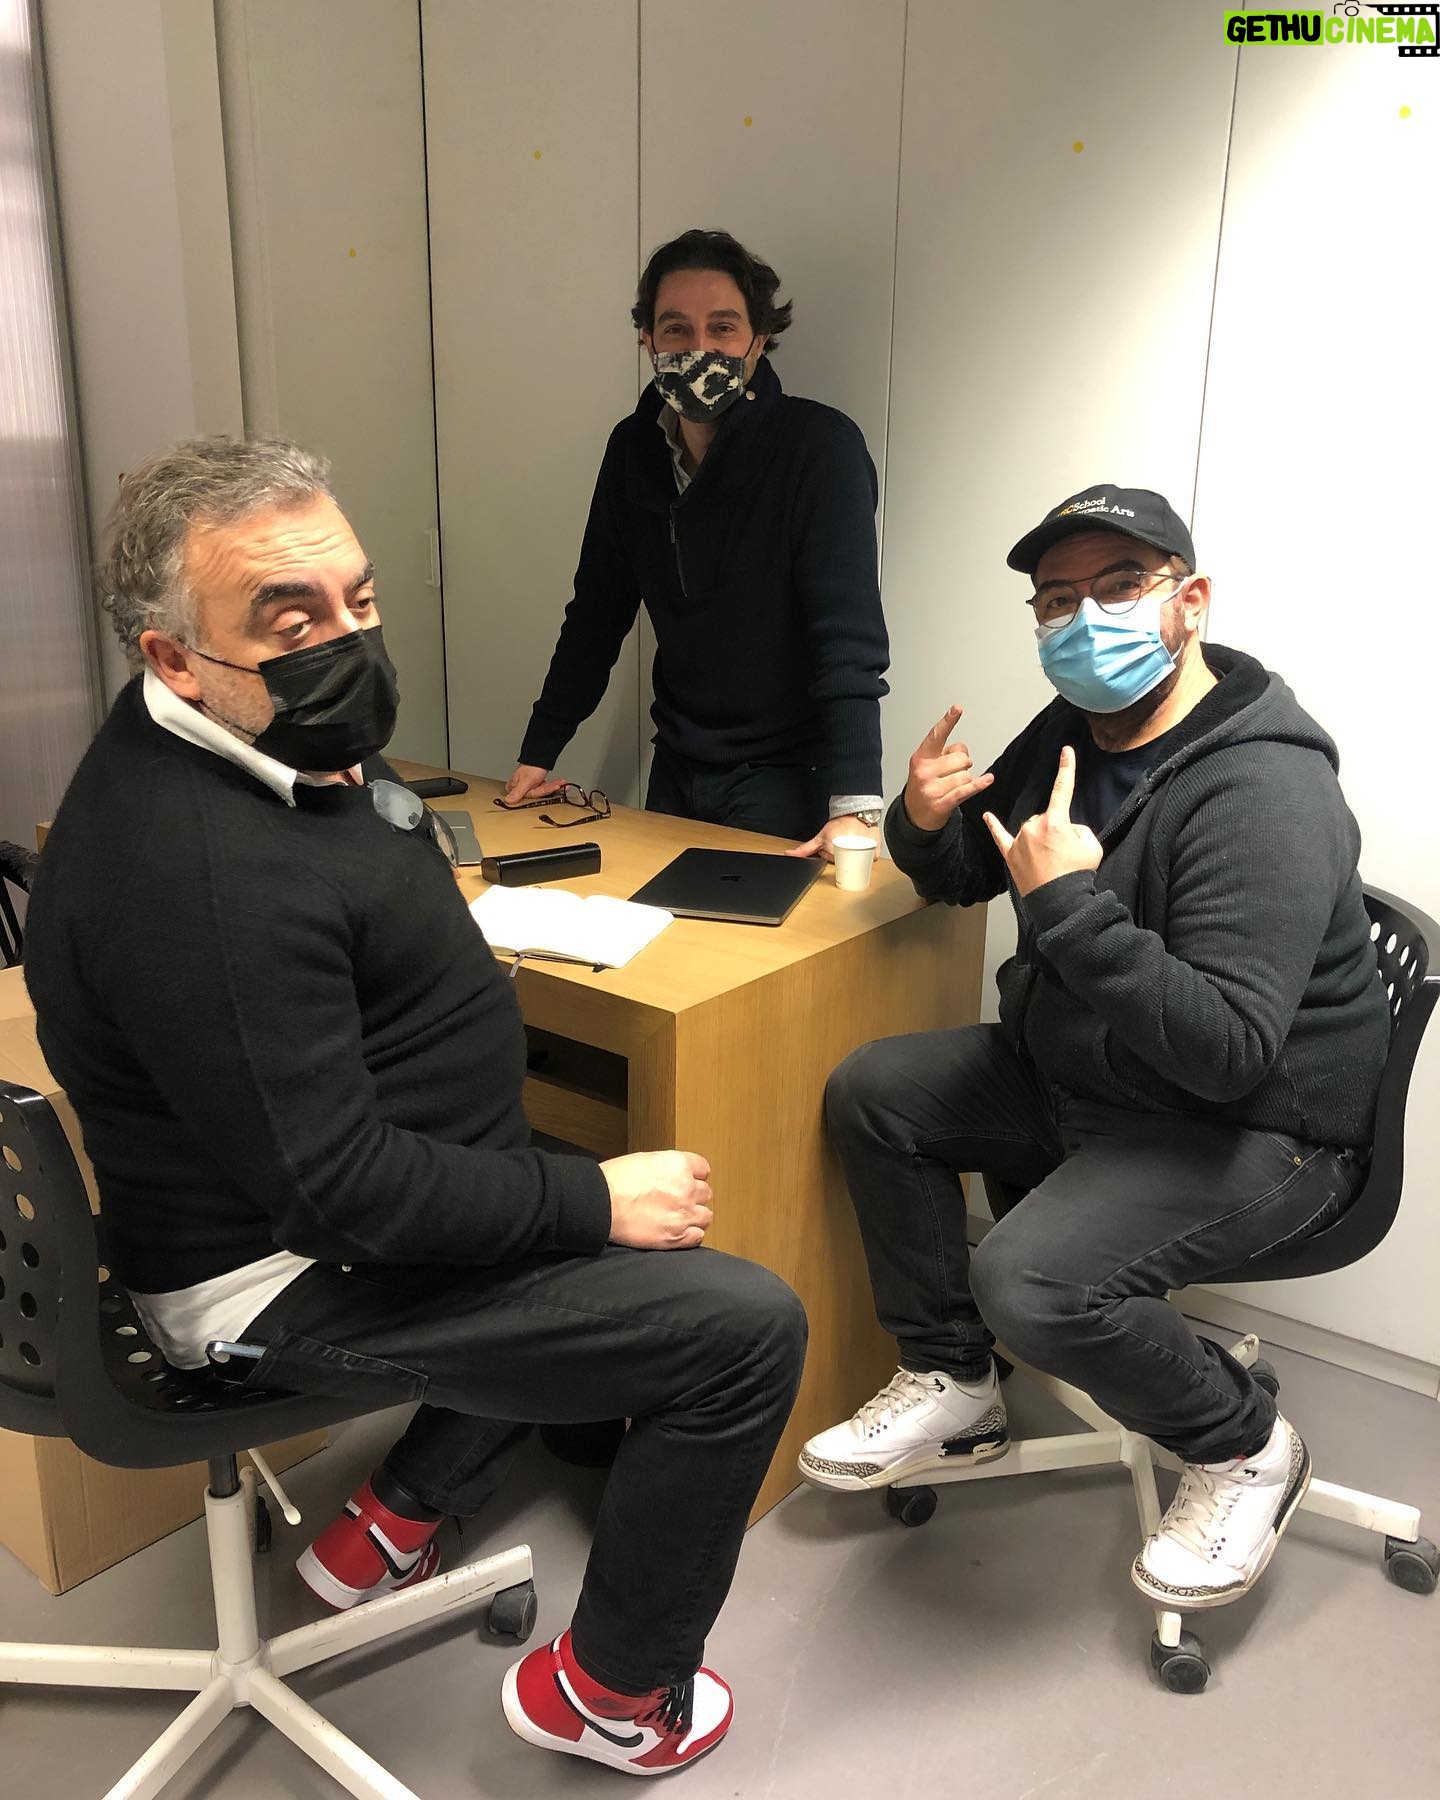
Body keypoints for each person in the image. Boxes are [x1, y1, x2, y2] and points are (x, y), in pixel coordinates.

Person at [24, 436, 806, 1776]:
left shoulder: (237, 737)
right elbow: (345, 1197)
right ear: (174, 657)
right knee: (737, 1327)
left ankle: (390, 1519)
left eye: (360, 599)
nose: (345, 640)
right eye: (291, 621)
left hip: (331, 1191)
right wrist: (588, 1200)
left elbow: (335, 874)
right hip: (285, 1271)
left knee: (574, 1213)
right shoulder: (195, 875)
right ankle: (614, 1697)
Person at [799, 484, 1390, 1611]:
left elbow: (1229, 1050)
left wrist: (1071, 908)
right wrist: (922, 820)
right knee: (877, 1091)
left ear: (1190, 601)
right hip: (1102, 1071)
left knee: (1027, 1279)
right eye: (1058, 600)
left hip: (1257, 1123)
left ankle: (1246, 1446)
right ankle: (953, 1376)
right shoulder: (1077, 727)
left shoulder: (1265, 786)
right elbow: (975, 874)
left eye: (1120, 587)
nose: (1084, 621)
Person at [505, 228, 890, 859]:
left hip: (786, 778)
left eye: (723, 328)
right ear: (648, 339)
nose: (699, 348)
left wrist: (856, 806)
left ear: (758, 340)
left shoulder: (820, 448)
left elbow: (847, 637)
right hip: (677, 768)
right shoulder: (632, 451)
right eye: (677, 329)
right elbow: (597, 614)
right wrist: (537, 753)